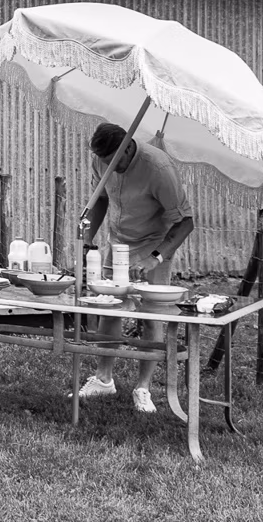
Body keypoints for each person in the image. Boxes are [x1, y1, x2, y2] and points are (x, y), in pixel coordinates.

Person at [78, 122, 195, 413]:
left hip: (154, 244)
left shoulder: (158, 169)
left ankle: (143, 388)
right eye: (104, 162)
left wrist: (153, 258)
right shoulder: (102, 159)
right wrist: (88, 238)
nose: (108, 167)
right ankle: (104, 379)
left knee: (150, 314)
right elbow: (101, 199)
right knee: (109, 306)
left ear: (128, 147)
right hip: (119, 243)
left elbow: (186, 222)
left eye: (113, 161)